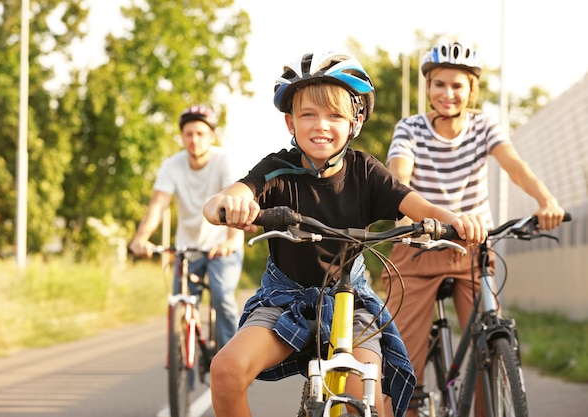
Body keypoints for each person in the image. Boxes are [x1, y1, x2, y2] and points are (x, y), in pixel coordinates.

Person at [201, 51, 488, 417]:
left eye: (335, 115)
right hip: (284, 300)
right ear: (290, 122)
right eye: (308, 114)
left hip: (350, 305)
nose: (321, 125)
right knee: (225, 371)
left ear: (355, 121)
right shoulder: (277, 169)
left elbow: (422, 208)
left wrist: (458, 220)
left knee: (367, 396)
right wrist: (226, 205)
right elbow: (228, 197)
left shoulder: (365, 172)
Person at [381, 41, 566, 417]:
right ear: (428, 87)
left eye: (457, 86)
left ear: (471, 90)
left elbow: (513, 165)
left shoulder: (484, 126)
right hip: (419, 247)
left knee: (489, 343)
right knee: (403, 358)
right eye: (439, 84)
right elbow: (399, 174)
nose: (447, 94)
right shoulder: (411, 128)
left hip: (473, 250)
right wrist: (404, 213)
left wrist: (546, 201)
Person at [129, 105, 244, 351]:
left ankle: (232, 363)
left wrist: (232, 240)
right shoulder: (172, 165)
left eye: (200, 134)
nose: (194, 140)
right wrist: (141, 238)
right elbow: (158, 206)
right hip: (187, 247)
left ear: (211, 136)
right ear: (182, 137)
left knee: (222, 297)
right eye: (189, 134)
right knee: (180, 304)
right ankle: (184, 378)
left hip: (221, 246)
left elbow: (234, 201)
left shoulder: (224, 161)